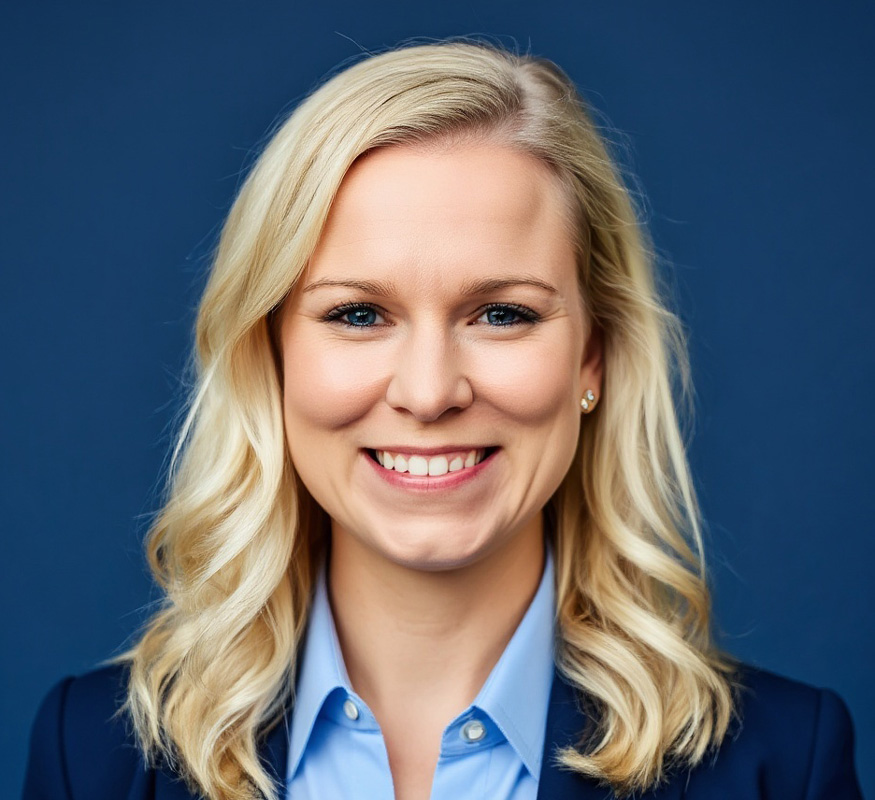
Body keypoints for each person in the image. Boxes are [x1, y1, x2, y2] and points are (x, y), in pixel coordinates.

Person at [23, 39, 863, 800]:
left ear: (592, 359)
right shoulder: (96, 758)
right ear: (270, 357)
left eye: (501, 314)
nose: (428, 394)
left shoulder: (781, 764)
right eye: (357, 314)